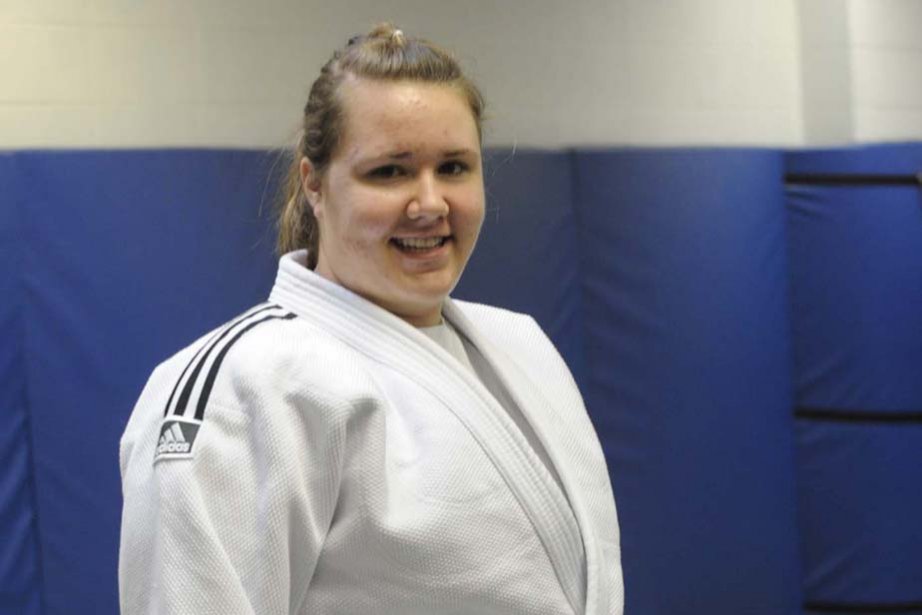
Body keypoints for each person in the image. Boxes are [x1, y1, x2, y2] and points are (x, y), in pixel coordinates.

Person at [119, 23, 623, 615]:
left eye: (454, 167)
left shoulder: (522, 347)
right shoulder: (250, 383)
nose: (430, 203)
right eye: (390, 171)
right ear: (315, 184)